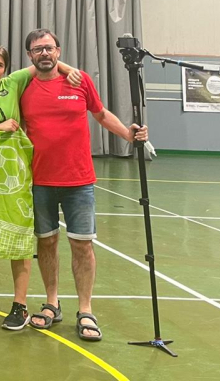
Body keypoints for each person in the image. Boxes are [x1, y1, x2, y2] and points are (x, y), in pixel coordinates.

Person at [20, 29, 148, 341]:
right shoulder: (22, 85)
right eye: (38, 50)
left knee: (82, 244)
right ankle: (52, 303)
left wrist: (129, 136)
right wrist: (65, 66)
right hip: (39, 181)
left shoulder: (80, 82)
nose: (44, 53)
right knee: (46, 243)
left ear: (59, 49)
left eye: (49, 48)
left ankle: (86, 308)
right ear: (29, 56)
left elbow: (101, 114)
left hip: (78, 180)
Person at [0, 43, 80, 331]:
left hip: (16, 174)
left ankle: (20, 304)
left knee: (17, 238)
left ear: (6, 70)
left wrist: (69, 68)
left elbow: (44, 62)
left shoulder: (12, 84)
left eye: (0, 65)